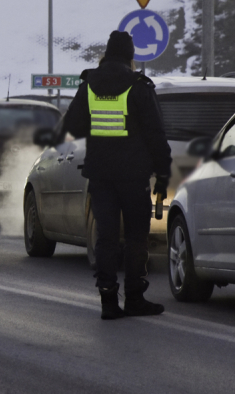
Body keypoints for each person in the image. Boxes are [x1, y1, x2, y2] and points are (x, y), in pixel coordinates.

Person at [62, 31, 172, 319]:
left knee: (107, 238)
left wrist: (99, 137)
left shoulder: (88, 84)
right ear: (130, 56)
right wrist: (163, 172)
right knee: (136, 236)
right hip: (133, 176)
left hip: (100, 174)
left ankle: (108, 301)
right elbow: (156, 134)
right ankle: (135, 297)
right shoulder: (139, 85)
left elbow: (73, 124)